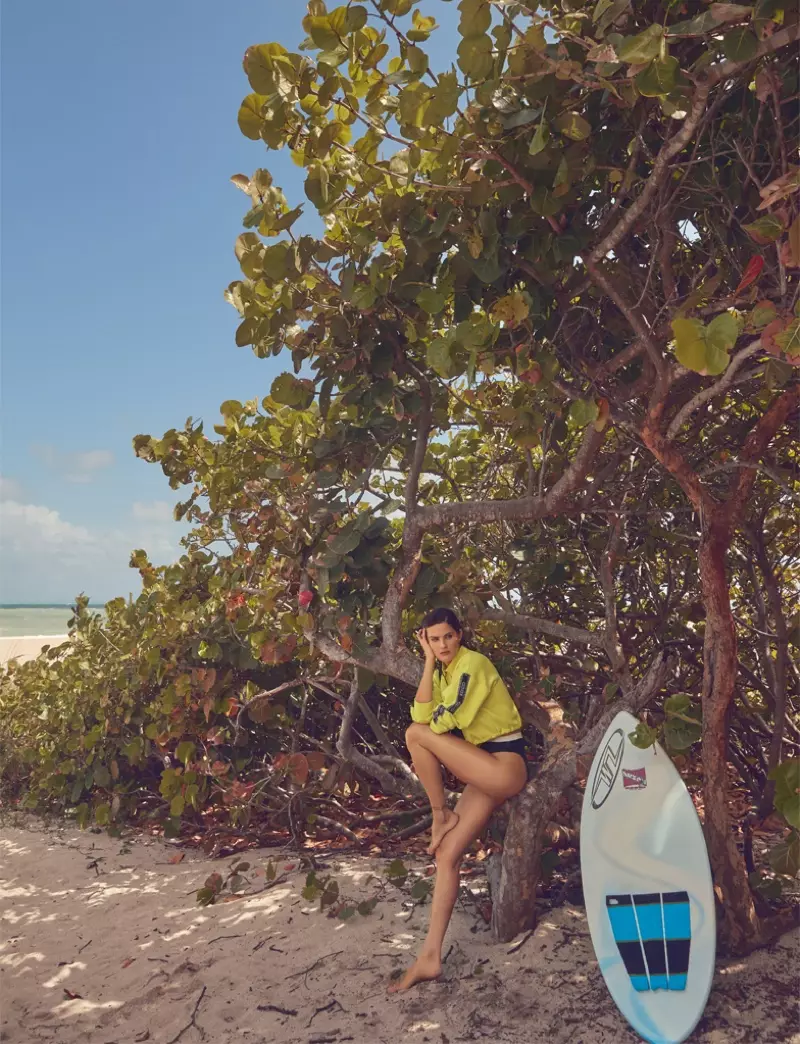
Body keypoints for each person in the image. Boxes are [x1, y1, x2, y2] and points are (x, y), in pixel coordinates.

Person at [388, 607, 528, 993]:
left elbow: (441, 720)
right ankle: (430, 957)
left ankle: (439, 812)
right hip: (485, 766)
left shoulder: (473, 664)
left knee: (415, 734)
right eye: (434, 639)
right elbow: (422, 709)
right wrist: (429, 664)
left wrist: (428, 722)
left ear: (459, 635)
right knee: (446, 856)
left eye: (448, 636)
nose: (443, 644)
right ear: (428, 641)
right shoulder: (443, 670)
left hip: (505, 765)